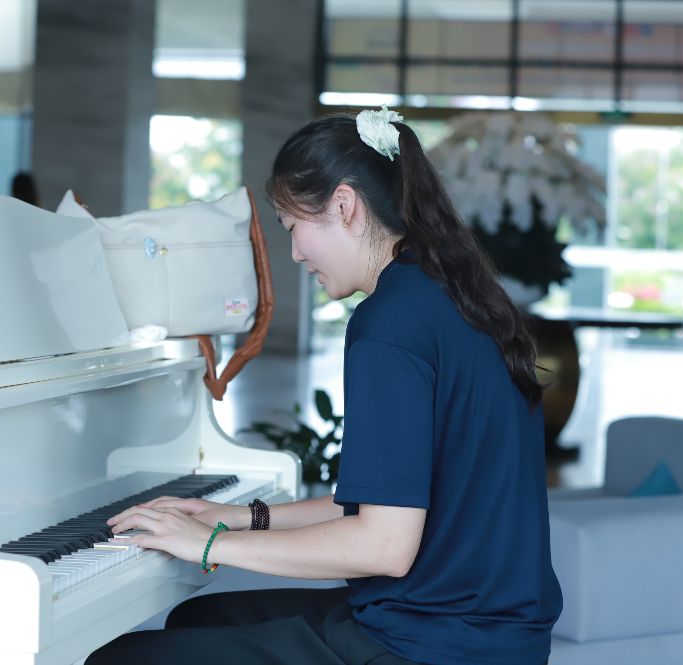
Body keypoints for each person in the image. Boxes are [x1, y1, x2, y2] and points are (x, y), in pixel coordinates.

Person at [87, 107, 562, 665]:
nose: (294, 254)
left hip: (430, 644)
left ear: (344, 205)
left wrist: (209, 545)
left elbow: (383, 546)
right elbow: (386, 507)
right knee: (199, 616)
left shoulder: (389, 323)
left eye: (294, 228)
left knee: (118, 659)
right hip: (493, 633)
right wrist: (244, 517)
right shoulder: (451, 295)